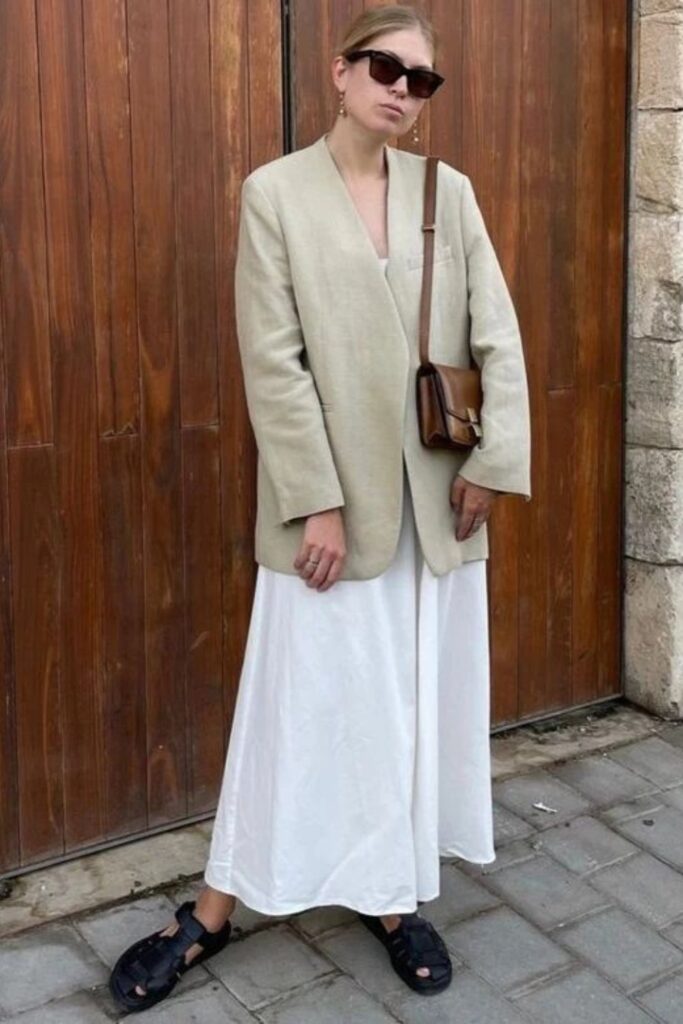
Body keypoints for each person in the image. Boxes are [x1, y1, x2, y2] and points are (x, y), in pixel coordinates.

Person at [108, 4, 531, 1013]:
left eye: (421, 80)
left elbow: (496, 334)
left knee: (409, 703)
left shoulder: (449, 194)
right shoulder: (276, 195)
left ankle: (393, 899)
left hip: (436, 504)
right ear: (339, 73)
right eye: (385, 68)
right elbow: (273, 360)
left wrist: (494, 461)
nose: (401, 89)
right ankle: (213, 909)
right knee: (294, 706)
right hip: (332, 512)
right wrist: (316, 506)